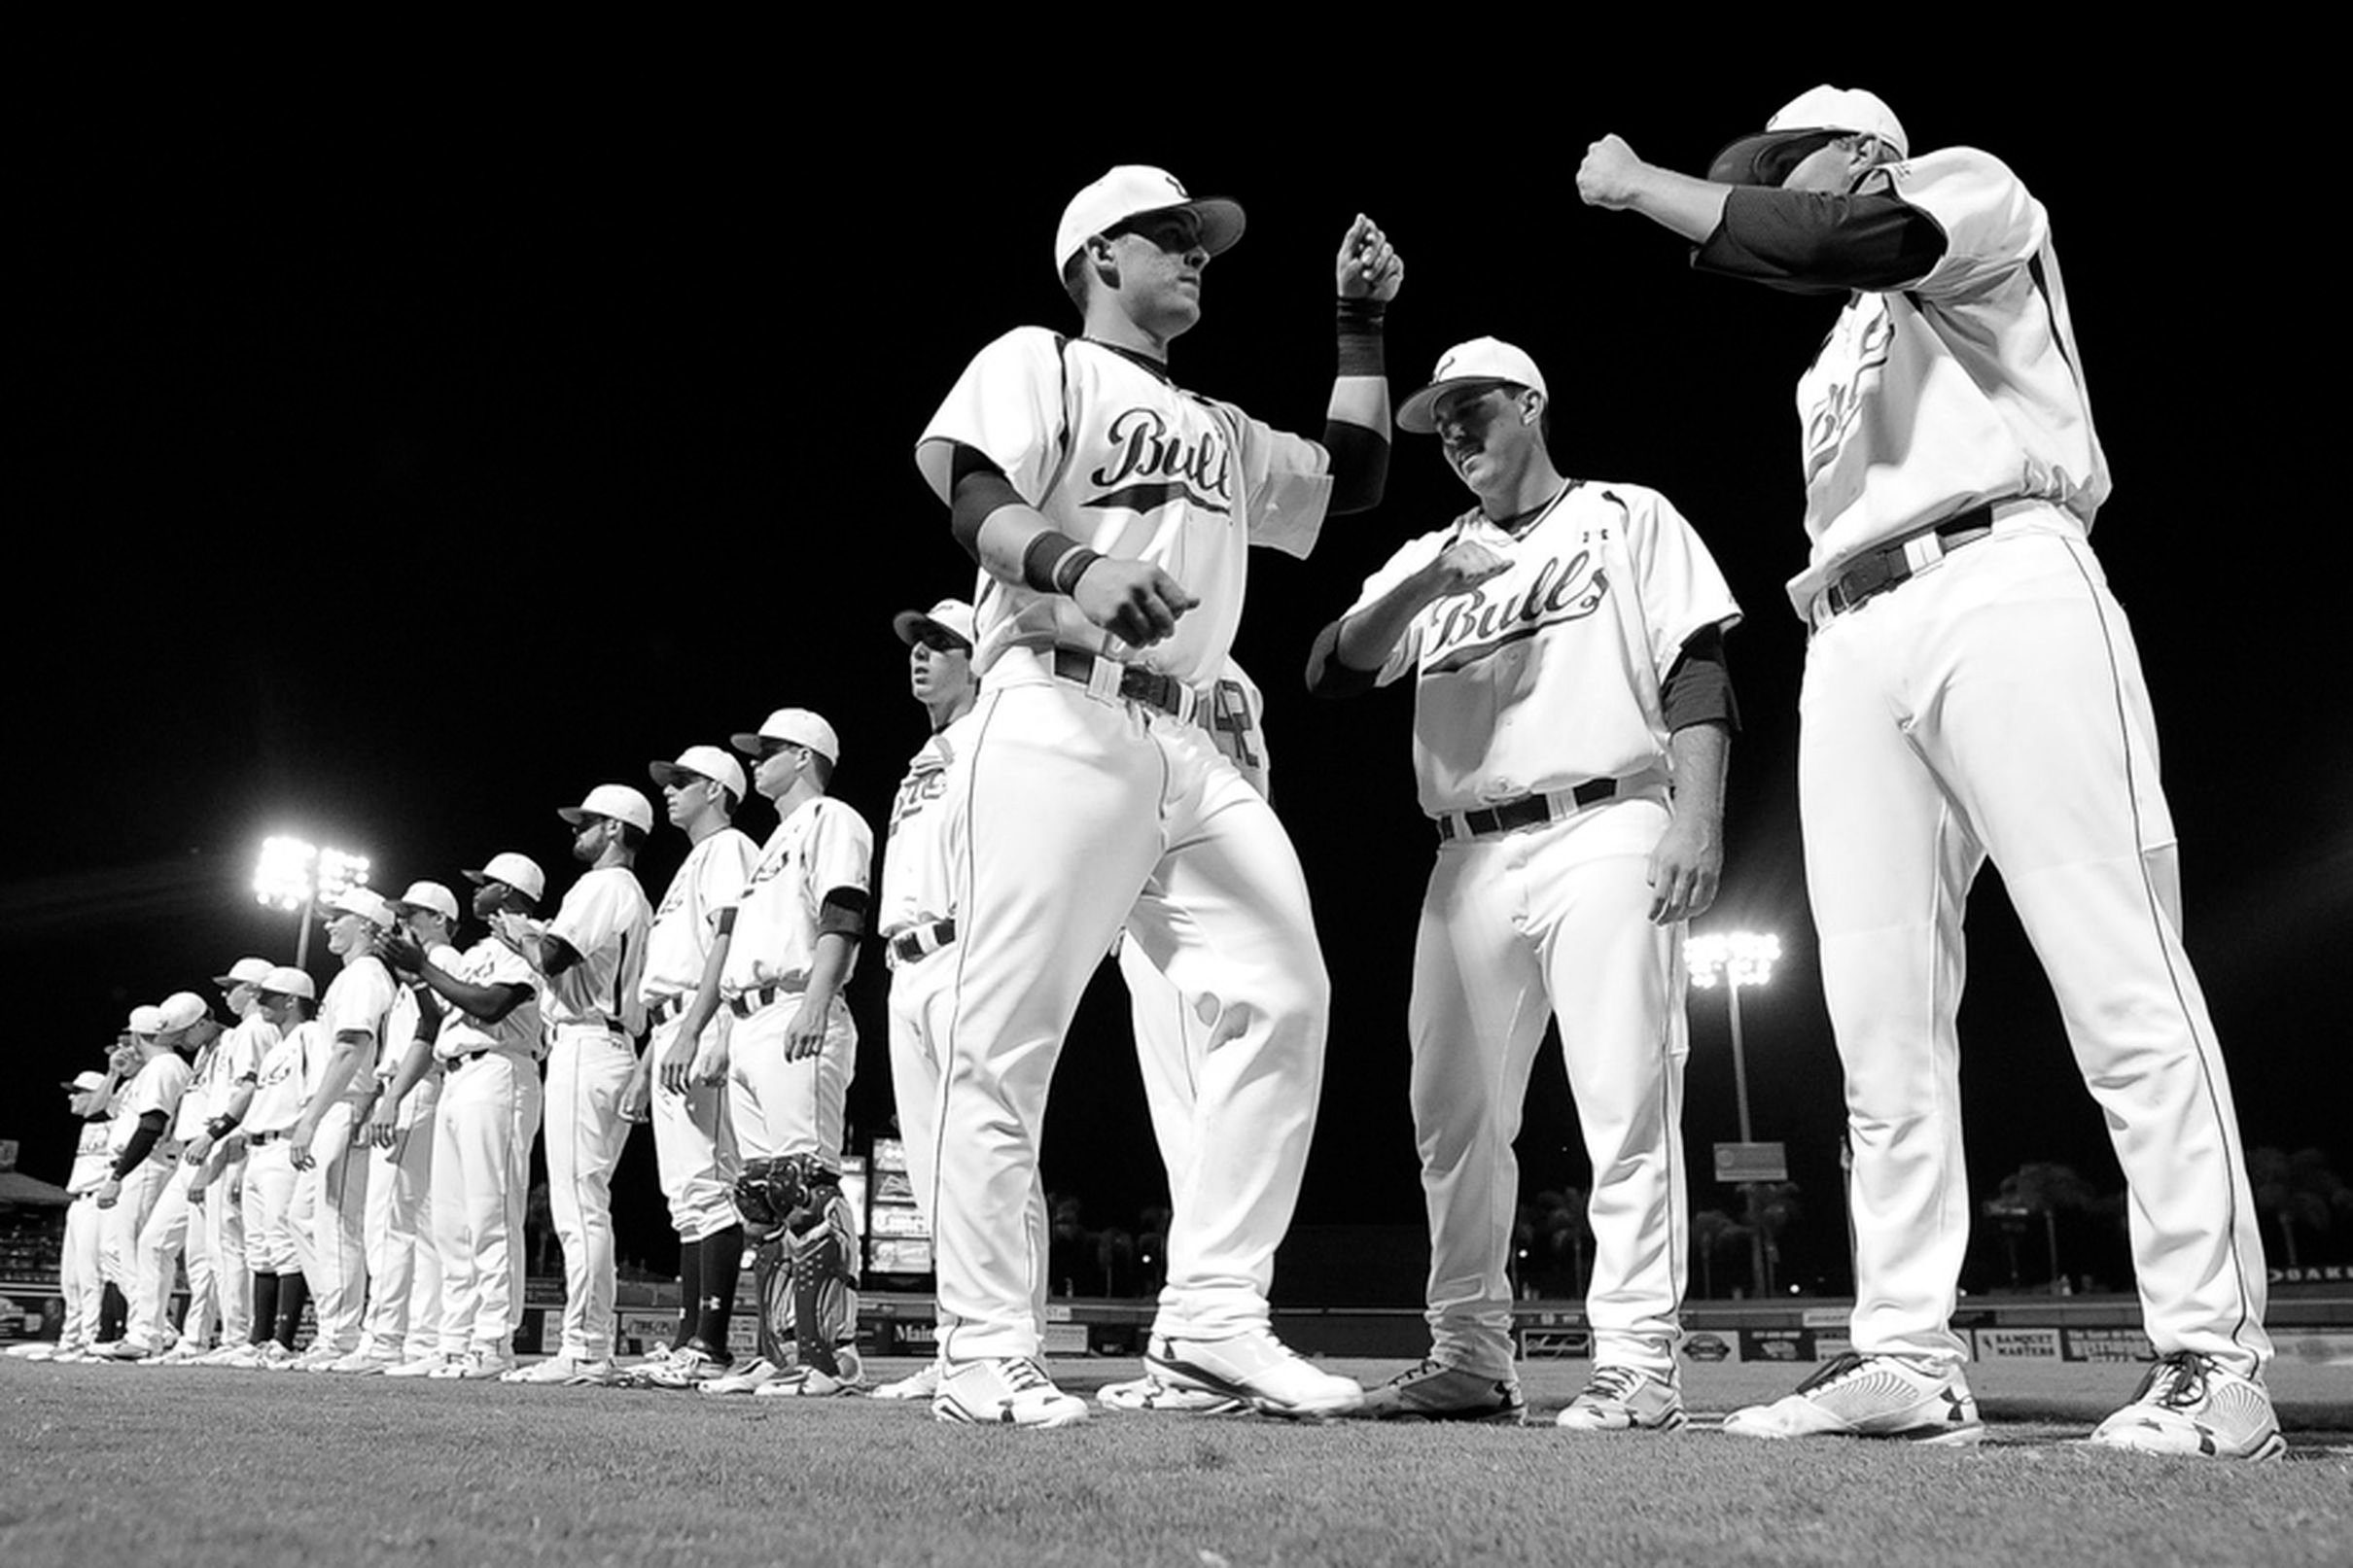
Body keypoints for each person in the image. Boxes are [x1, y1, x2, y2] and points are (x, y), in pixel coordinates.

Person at [1576, 86, 2280, 1457]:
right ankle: (1904, 1353)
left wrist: (1648, 184)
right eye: (1764, 171)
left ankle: (2215, 1357)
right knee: (1878, 1021)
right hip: (1848, 630)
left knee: (2118, 971)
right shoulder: (1822, 362)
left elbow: (1854, 242)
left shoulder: (1967, 188)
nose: (1780, 184)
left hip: (2004, 577)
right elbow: (1814, 258)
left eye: (1797, 162)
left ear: (1867, 151)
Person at [910, 164, 1399, 1426]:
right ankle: (979, 1352)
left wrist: (1359, 324)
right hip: (1060, 704)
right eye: (1168, 237)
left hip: (1198, 740)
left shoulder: (1225, 425)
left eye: (1202, 241)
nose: (1195, 254)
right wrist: (1073, 565)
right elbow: (964, 480)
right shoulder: (1046, 361)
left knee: (1288, 994)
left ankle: (1210, 1326)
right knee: (1008, 1034)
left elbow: (1353, 478)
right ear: (1096, 258)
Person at [1305, 335, 1739, 1428]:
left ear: (1531, 401)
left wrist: (1696, 815)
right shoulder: (1428, 554)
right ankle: (1467, 1352)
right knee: (1448, 1116)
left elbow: (1697, 667)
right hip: (1464, 853)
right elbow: (1330, 669)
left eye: (1472, 409)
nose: (1453, 434)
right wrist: (1413, 590)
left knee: (1623, 1097)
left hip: (1606, 819)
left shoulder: (1624, 513)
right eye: (1438, 423)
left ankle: (1638, 1361)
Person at [666, 709, 872, 1399]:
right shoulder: (775, 839)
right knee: (761, 1198)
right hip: (751, 1019)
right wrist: (723, 1029)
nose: (756, 761)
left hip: (796, 1007)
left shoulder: (832, 817)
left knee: (806, 1185)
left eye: (769, 751)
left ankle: (829, 1353)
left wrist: (818, 998)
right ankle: (779, 1349)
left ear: (805, 756)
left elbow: (843, 908)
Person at [867, 598, 1003, 1405]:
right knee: (931, 1173)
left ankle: (1005, 1340)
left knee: (988, 1157)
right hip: (905, 961)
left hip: (963, 952)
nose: (921, 654)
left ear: (979, 659)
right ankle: (959, 1345)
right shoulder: (928, 751)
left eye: (943, 644)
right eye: (916, 642)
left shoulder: (993, 736)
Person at [495, 786, 652, 1385]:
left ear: (615, 830)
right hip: (604, 1043)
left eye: (586, 823)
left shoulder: (605, 885)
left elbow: (555, 957)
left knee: (580, 1206)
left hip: (589, 1044)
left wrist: (521, 936)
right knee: (587, 1203)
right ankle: (587, 1342)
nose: (575, 832)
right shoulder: (627, 894)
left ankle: (585, 1347)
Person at [383, 852, 546, 1381]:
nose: (477, 891)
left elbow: (494, 1004)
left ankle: (494, 1339)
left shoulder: (527, 941)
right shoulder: (478, 951)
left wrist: (426, 966)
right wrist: (414, 976)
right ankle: (455, 1340)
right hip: (457, 1076)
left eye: (487, 885)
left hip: (499, 1073)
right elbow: (439, 1016)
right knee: (451, 1223)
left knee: (489, 1214)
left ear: (510, 892)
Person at [633, 745, 758, 1387]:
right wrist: (653, 1050)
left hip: (700, 1021)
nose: (669, 789)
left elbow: (731, 940)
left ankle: (710, 1343)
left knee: (711, 1188)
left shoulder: (730, 847)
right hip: (671, 1025)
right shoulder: (695, 859)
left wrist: (699, 1030)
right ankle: (689, 1339)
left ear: (716, 789)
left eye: (682, 781)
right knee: (686, 1195)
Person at [344, 882, 459, 1373]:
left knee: (390, 1222)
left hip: (414, 1090)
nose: (402, 922)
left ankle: (388, 1337)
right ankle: (419, 1338)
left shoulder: (441, 963)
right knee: (419, 1225)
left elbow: (427, 1035)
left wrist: (391, 1098)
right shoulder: (424, 968)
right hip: (415, 1090)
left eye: (413, 913)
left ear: (440, 920)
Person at [286, 886, 402, 1369]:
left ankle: (341, 1335)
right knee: (303, 1217)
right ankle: (337, 1325)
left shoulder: (365, 974)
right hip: (336, 1104)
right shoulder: (354, 976)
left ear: (369, 928)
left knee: (337, 1225)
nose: (329, 924)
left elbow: (351, 1047)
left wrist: (310, 1118)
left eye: (341, 918)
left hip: (346, 1105)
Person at [170, 958, 280, 1361]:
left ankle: (238, 1337)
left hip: (235, 1142)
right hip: (238, 1140)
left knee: (229, 1247)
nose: (224, 993)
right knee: (231, 1247)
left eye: (232, 985)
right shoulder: (254, 1031)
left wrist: (214, 1135)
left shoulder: (252, 1030)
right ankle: (238, 1336)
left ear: (252, 989)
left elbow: (248, 1091)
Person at [211, 965, 320, 1369]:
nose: (261, 1002)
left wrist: (308, 1133)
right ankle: (258, 1338)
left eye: (269, 997)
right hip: (259, 1149)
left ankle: (283, 1339)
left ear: (292, 1000)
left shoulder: (310, 1035)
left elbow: (314, 1092)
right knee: (260, 1248)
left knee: (283, 1243)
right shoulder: (277, 1046)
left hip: (287, 1144)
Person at [111, 991, 225, 1359]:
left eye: (181, 1033)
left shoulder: (224, 1045)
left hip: (206, 1150)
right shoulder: (202, 1055)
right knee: (154, 1243)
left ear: (202, 1022)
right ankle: (148, 1336)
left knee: (204, 1255)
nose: (177, 1041)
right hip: (188, 1154)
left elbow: (153, 1123)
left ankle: (196, 1339)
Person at [91, 1003, 191, 1354]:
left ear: (137, 1035)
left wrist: (119, 1175)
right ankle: (151, 1326)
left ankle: (152, 1329)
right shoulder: (155, 1068)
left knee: (132, 1251)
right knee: (117, 1252)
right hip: (140, 1163)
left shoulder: (164, 1066)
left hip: (147, 1164)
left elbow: (152, 1125)